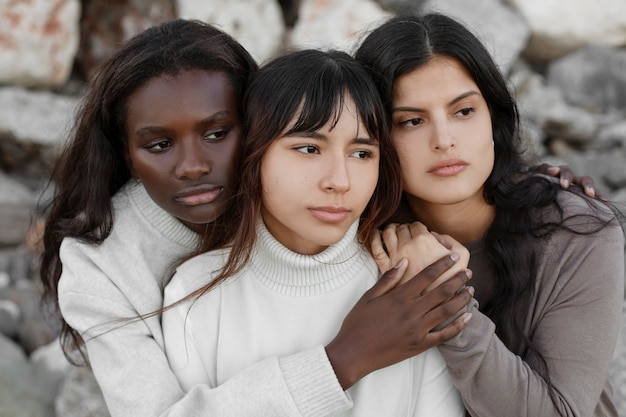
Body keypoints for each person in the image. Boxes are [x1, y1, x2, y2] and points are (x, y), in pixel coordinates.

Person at [38, 19, 474, 417]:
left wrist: (421, 232)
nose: (192, 166)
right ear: (125, 154)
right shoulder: (103, 266)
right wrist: (344, 358)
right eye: (158, 145)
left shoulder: (325, 199)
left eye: (217, 133)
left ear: (259, 124)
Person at [162, 48, 472, 416]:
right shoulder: (196, 294)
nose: (339, 181)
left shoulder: (410, 280)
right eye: (309, 148)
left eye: (361, 154)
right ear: (254, 154)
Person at [355, 12, 626, 417]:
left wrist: (446, 296)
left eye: (463, 111)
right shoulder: (358, 235)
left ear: (493, 117)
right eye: (411, 121)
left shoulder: (577, 233)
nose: (444, 140)